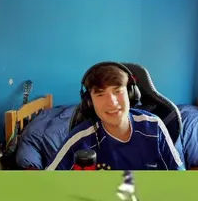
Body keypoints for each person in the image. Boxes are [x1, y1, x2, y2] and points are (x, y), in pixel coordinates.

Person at [47, 62, 184, 171]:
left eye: (118, 91)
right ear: (89, 102)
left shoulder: (154, 126)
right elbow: (47, 181)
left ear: (130, 94)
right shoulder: (79, 139)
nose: (112, 102)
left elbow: (179, 177)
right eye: (100, 94)